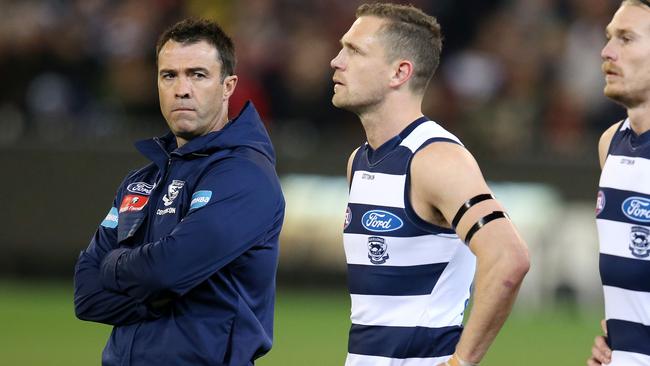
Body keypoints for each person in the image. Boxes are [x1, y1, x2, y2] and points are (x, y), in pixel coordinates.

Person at [73, 18, 285, 366]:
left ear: (228, 86)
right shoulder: (142, 179)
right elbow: (87, 295)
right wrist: (158, 296)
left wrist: (115, 267)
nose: (181, 89)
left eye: (197, 75)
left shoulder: (245, 175)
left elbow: (166, 271)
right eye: (169, 75)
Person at [332, 3, 530, 366]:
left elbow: (508, 257)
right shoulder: (359, 161)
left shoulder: (435, 160)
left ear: (399, 72)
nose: (336, 60)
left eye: (354, 50)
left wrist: (461, 362)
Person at [588, 1, 650, 365]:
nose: (607, 51)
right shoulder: (611, 144)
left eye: (626, 39)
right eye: (610, 37)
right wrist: (621, 342)